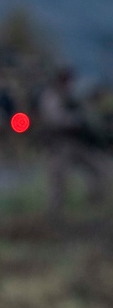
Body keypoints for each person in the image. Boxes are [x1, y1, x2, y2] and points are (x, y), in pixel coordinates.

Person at [37, 67, 110, 216]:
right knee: (58, 179)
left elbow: (89, 115)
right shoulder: (51, 96)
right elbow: (55, 119)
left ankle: (95, 204)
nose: (68, 83)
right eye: (66, 79)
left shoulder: (71, 95)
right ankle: (54, 214)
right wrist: (77, 120)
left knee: (99, 171)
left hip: (78, 143)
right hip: (60, 143)